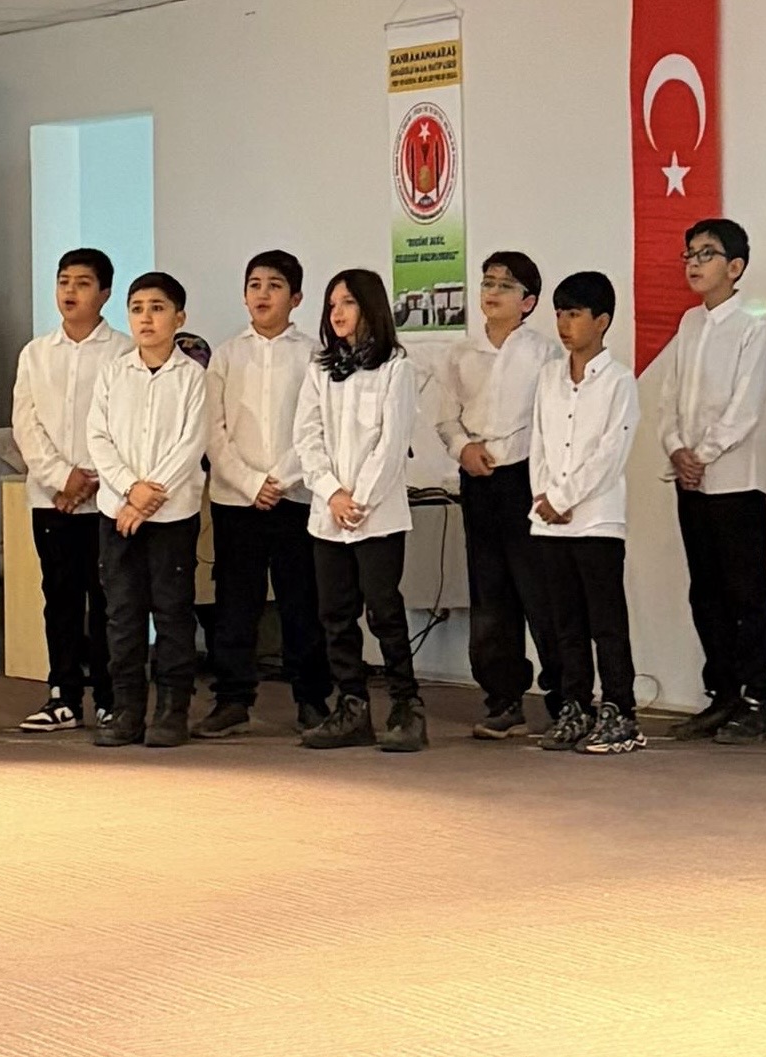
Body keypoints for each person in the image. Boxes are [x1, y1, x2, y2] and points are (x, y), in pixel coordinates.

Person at [651, 217, 766, 742]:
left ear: (735, 266)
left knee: (746, 594)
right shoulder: (689, 323)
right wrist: (676, 448)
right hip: (692, 482)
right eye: (690, 253)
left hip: (736, 482)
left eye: (707, 253)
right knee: (705, 592)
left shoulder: (752, 324)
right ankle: (722, 695)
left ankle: (756, 700)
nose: (694, 263)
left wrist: (701, 454)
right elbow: (669, 398)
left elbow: (745, 406)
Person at [291, 266, 426, 754]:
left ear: (370, 307)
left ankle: (406, 706)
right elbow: (307, 436)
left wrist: (360, 498)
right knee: (334, 613)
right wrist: (332, 492)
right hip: (329, 515)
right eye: (332, 305)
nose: (338, 312)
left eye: (347, 302)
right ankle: (351, 705)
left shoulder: (396, 368)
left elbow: (392, 443)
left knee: (384, 611)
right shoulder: (321, 368)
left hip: (377, 515)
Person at [436, 250, 563, 739]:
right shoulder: (461, 354)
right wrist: (463, 449)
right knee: (490, 594)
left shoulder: (544, 354)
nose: (492, 292)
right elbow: (446, 418)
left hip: (527, 480)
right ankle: (503, 698)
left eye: (505, 286)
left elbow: (552, 421)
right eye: (487, 282)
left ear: (528, 301)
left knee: (541, 592)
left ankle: (564, 699)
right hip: (479, 481)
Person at [84, 270, 210, 749]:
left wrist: (149, 496)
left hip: (172, 514)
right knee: (122, 614)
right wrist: (129, 490)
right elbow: (99, 438)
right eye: (137, 309)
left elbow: (191, 443)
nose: (146, 318)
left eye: (157, 308)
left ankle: (172, 710)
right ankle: (127, 710)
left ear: (179, 317)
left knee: (173, 612)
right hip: (118, 511)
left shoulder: (193, 377)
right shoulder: (114, 373)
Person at [203, 250, 323, 737]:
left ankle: (312, 698)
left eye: (274, 285)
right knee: (235, 603)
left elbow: (317, 425)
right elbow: (213, 430)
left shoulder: (313, 355)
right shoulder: (226, 355)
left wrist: (282, 477)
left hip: (296, 497)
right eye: (254, 284)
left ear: (296, 297)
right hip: (237, 499)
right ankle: (233, 699)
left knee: (302, 602)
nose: (262, 294)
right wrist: (252, 482)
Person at [13, 248, 131, 732]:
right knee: (59, 597)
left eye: (82, 283)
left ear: (104, 293)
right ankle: (62, 695)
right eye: (64, 281)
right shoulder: (36, 353)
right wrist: (62, 478)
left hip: (107, 500)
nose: (70, 291)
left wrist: (89, 480)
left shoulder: (124, 352)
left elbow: (125, 427)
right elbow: (26, 424)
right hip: (51, 500)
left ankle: (109, 695)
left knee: (107, 600)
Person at [525, 271, 641, 756]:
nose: (564, 324)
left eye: (574, 314)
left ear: (602, 321)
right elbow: (539, 442)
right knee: (564, 624)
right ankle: (575, 705)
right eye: (559, 314)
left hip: (596, 519)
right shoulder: (549, 377)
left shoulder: (619, 381)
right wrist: (544, 496)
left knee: (605, 623)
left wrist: (566, 497)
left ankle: (620, 710)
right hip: (550, 521)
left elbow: (610, 453)